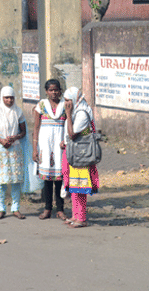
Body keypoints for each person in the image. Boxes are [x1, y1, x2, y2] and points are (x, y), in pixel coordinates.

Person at [0, 86, 27, 219]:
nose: (9, 100)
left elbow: (23, 131)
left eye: (12, 98)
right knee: (0, 180)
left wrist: (15, 137)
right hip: (0, 149)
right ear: (2, 98)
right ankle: (1, 208)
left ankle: (15, 208)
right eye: (6, 98)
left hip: (15, 149)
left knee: (15, 180)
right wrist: (1, 140)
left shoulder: (18, 111)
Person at [62, 86, 100, 229]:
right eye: (65, 101)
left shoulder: (82, 113)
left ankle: (82, 217)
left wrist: (68, 113)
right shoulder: (75, 111)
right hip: (73, 152)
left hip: (81, 154)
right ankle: (75, 214)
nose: (66, 104)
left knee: (81, 186)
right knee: (73, 185)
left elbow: (72, 134)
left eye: (68, 101)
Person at [32, 78, 67, 220]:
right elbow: (36, 127)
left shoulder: (65, 106)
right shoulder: (41, 105)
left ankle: (60, 209)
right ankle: (47, 208)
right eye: (51, 90)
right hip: (45, 146)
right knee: (47, 180)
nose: (54, 93)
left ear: (60, 91)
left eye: (56, 90)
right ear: (46, 92)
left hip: (60, 146)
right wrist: (35, 148)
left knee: (59, 178)